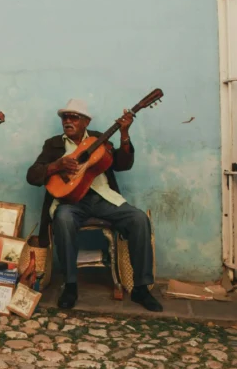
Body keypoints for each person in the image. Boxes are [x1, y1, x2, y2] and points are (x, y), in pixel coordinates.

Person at [26, 99, 163, 312]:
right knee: (63, 218)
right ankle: (70, 285)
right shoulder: (53, 144)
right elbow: (32, 175)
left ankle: (141, 288)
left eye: (74, 117)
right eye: (65, 117)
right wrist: (56, 165)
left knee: (139, 219)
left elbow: (122, 164)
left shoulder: (100, 139)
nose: (68, 121)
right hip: (70, 202)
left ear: (86, 121)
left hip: (104, 199)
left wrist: (124, 135)